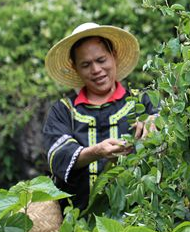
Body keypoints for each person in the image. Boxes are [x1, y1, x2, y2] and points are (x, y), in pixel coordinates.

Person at [43, 22, 157, 211]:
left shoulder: (141, 102)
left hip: (139, 221)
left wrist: (155, 120)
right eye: (86, 65)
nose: (96, 70)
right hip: (76, 224)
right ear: (75, 68)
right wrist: (96, 151)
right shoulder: (64, 110)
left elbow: (168, 132)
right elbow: (57, 155)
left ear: (114, 56)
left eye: (101, 60)